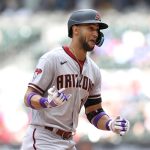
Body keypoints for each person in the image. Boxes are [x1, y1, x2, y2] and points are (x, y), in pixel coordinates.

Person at [21, 9, 130, 150]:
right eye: (91, 28)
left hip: (68, 141)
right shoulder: (52, 59)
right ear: (75, 30)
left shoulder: (94, 70)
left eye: (97, 30)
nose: (96, 34)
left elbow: (94, 111)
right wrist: (46, 102)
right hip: (43, 138)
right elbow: (28, 97)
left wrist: (110, 124)